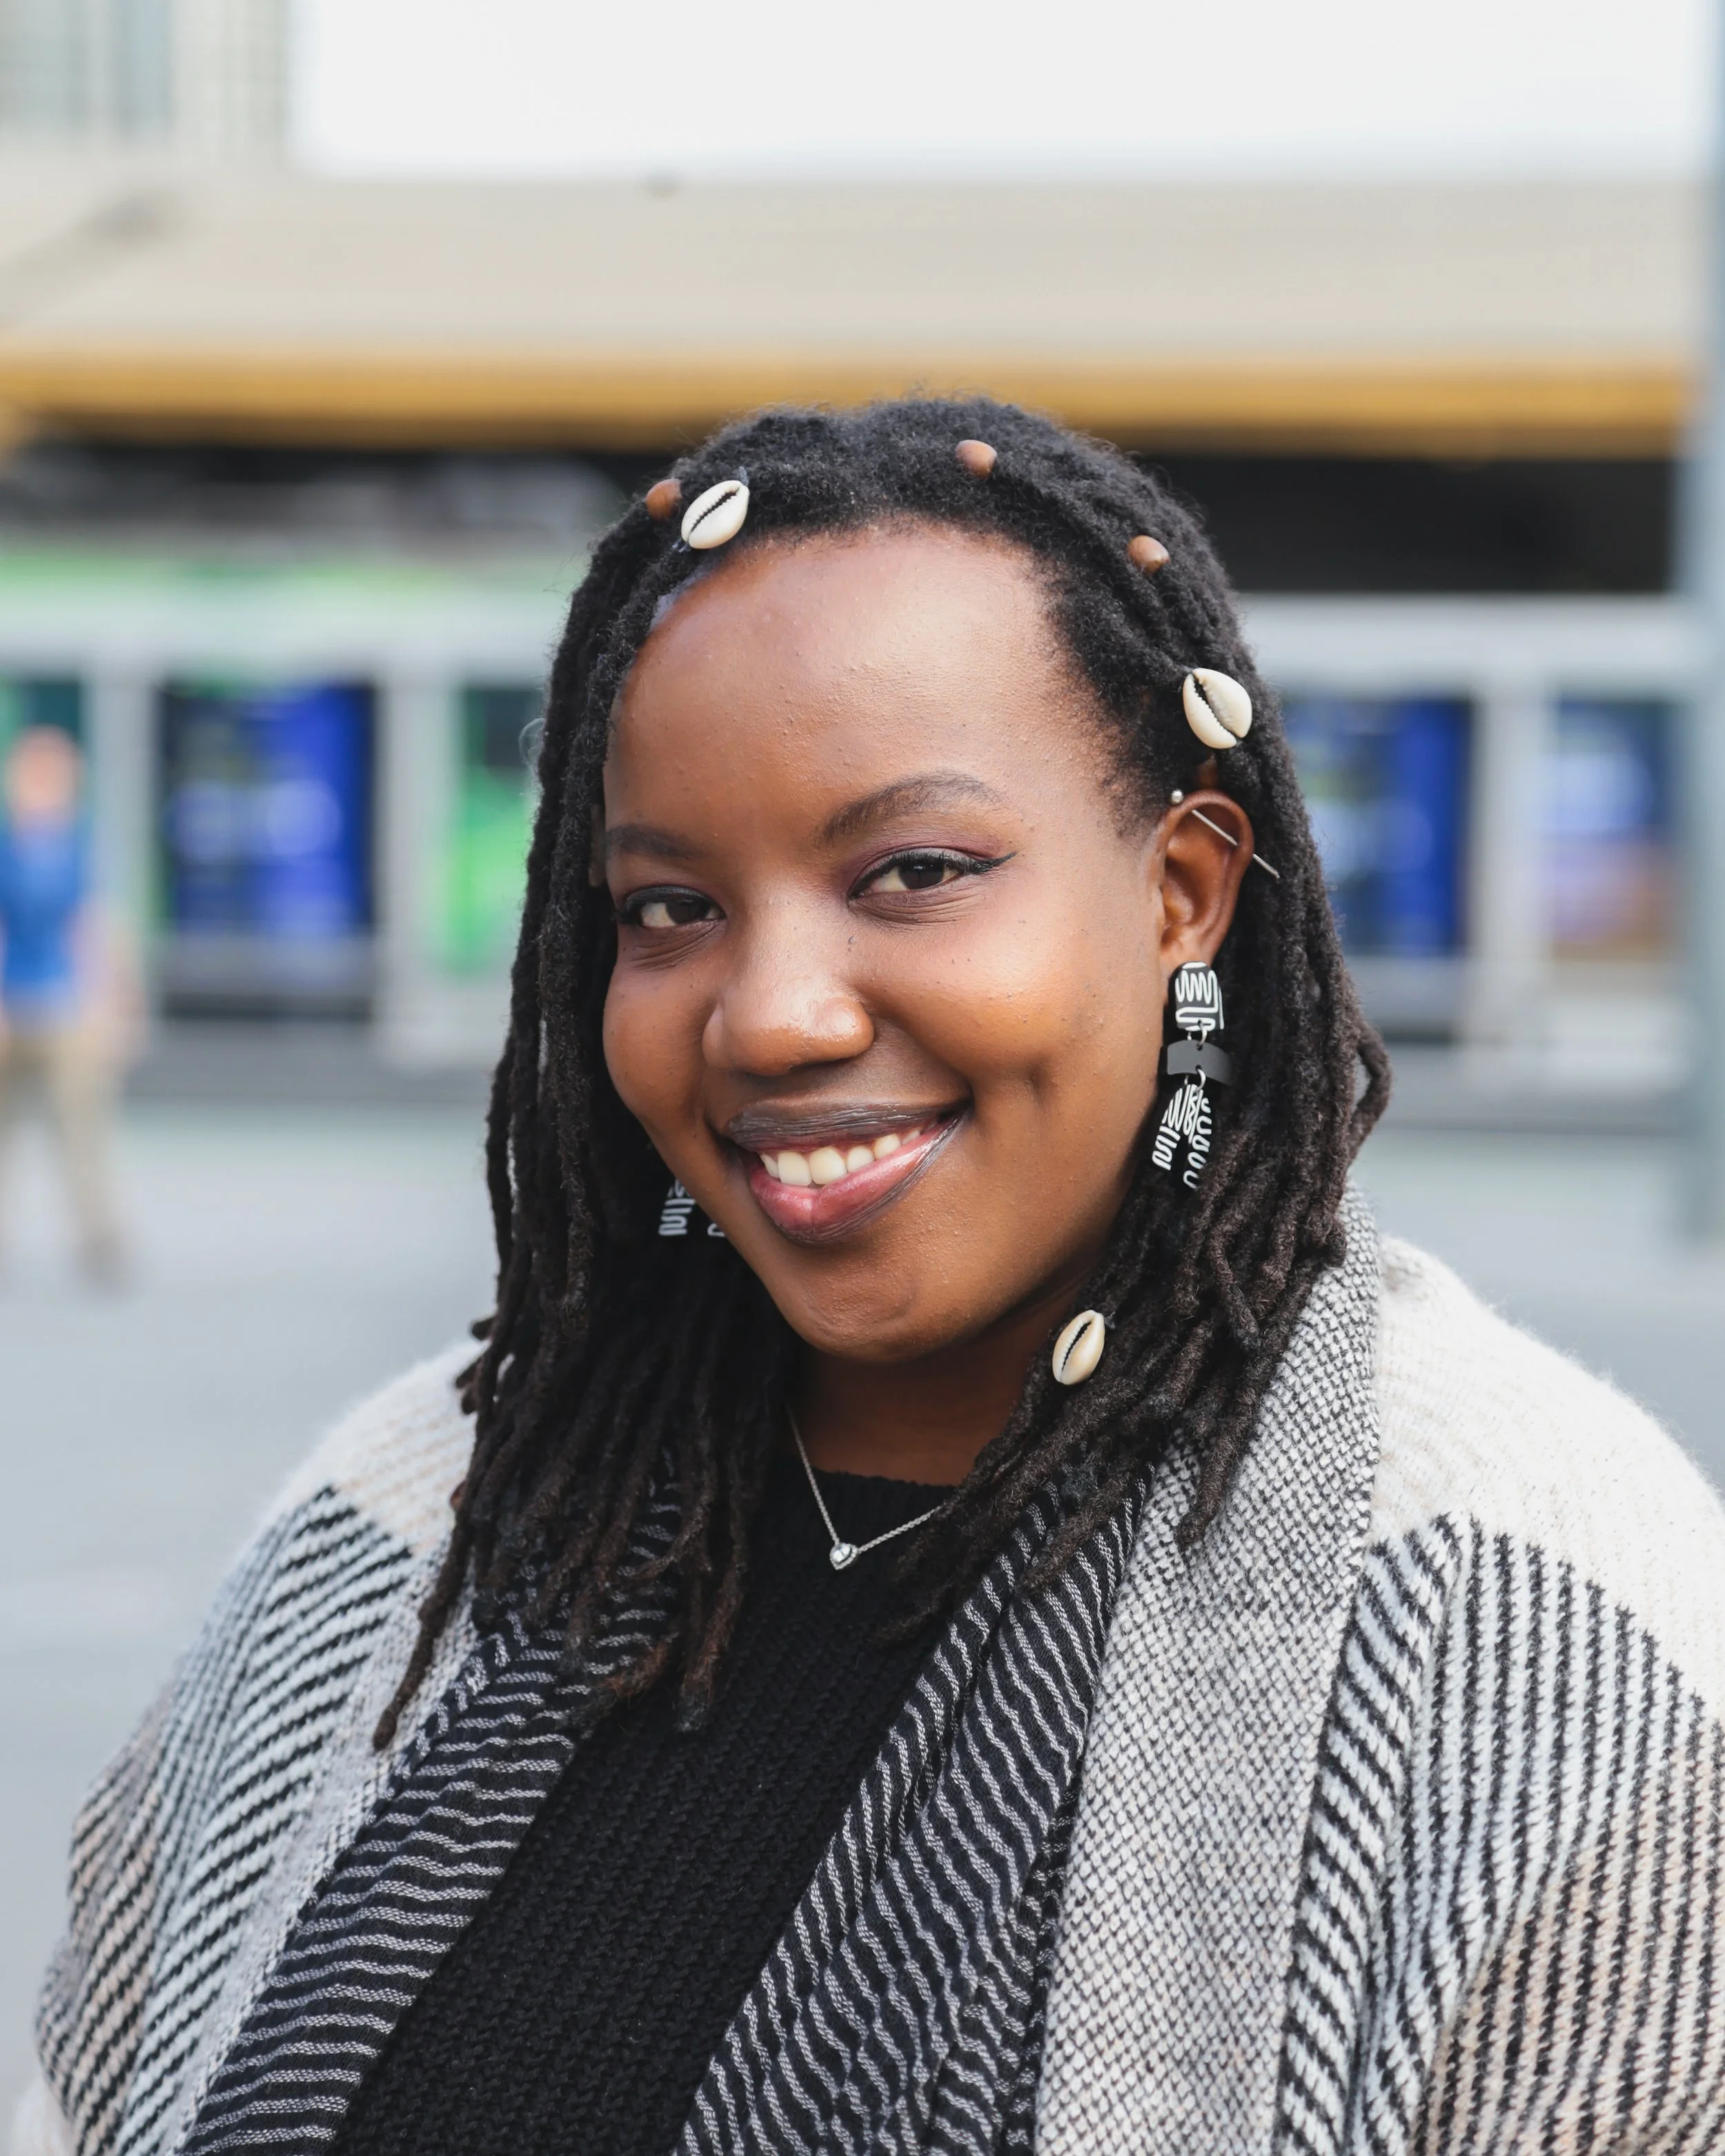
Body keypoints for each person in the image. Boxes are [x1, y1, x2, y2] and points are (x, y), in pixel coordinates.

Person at [19, 400, 1725, 2156]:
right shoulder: (406, 1523)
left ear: (1187, 892)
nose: (773, 1012)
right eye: (669, 908)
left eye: (914, 872)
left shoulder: (1511, 1616)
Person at [0, 725, 130, 1281]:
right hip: (11, 1000)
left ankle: (98, 1236)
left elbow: (93, 924)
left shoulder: (79, 842)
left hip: (63, 1005)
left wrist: (111, 1001)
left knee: (81, 1128)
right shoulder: (8, 843)